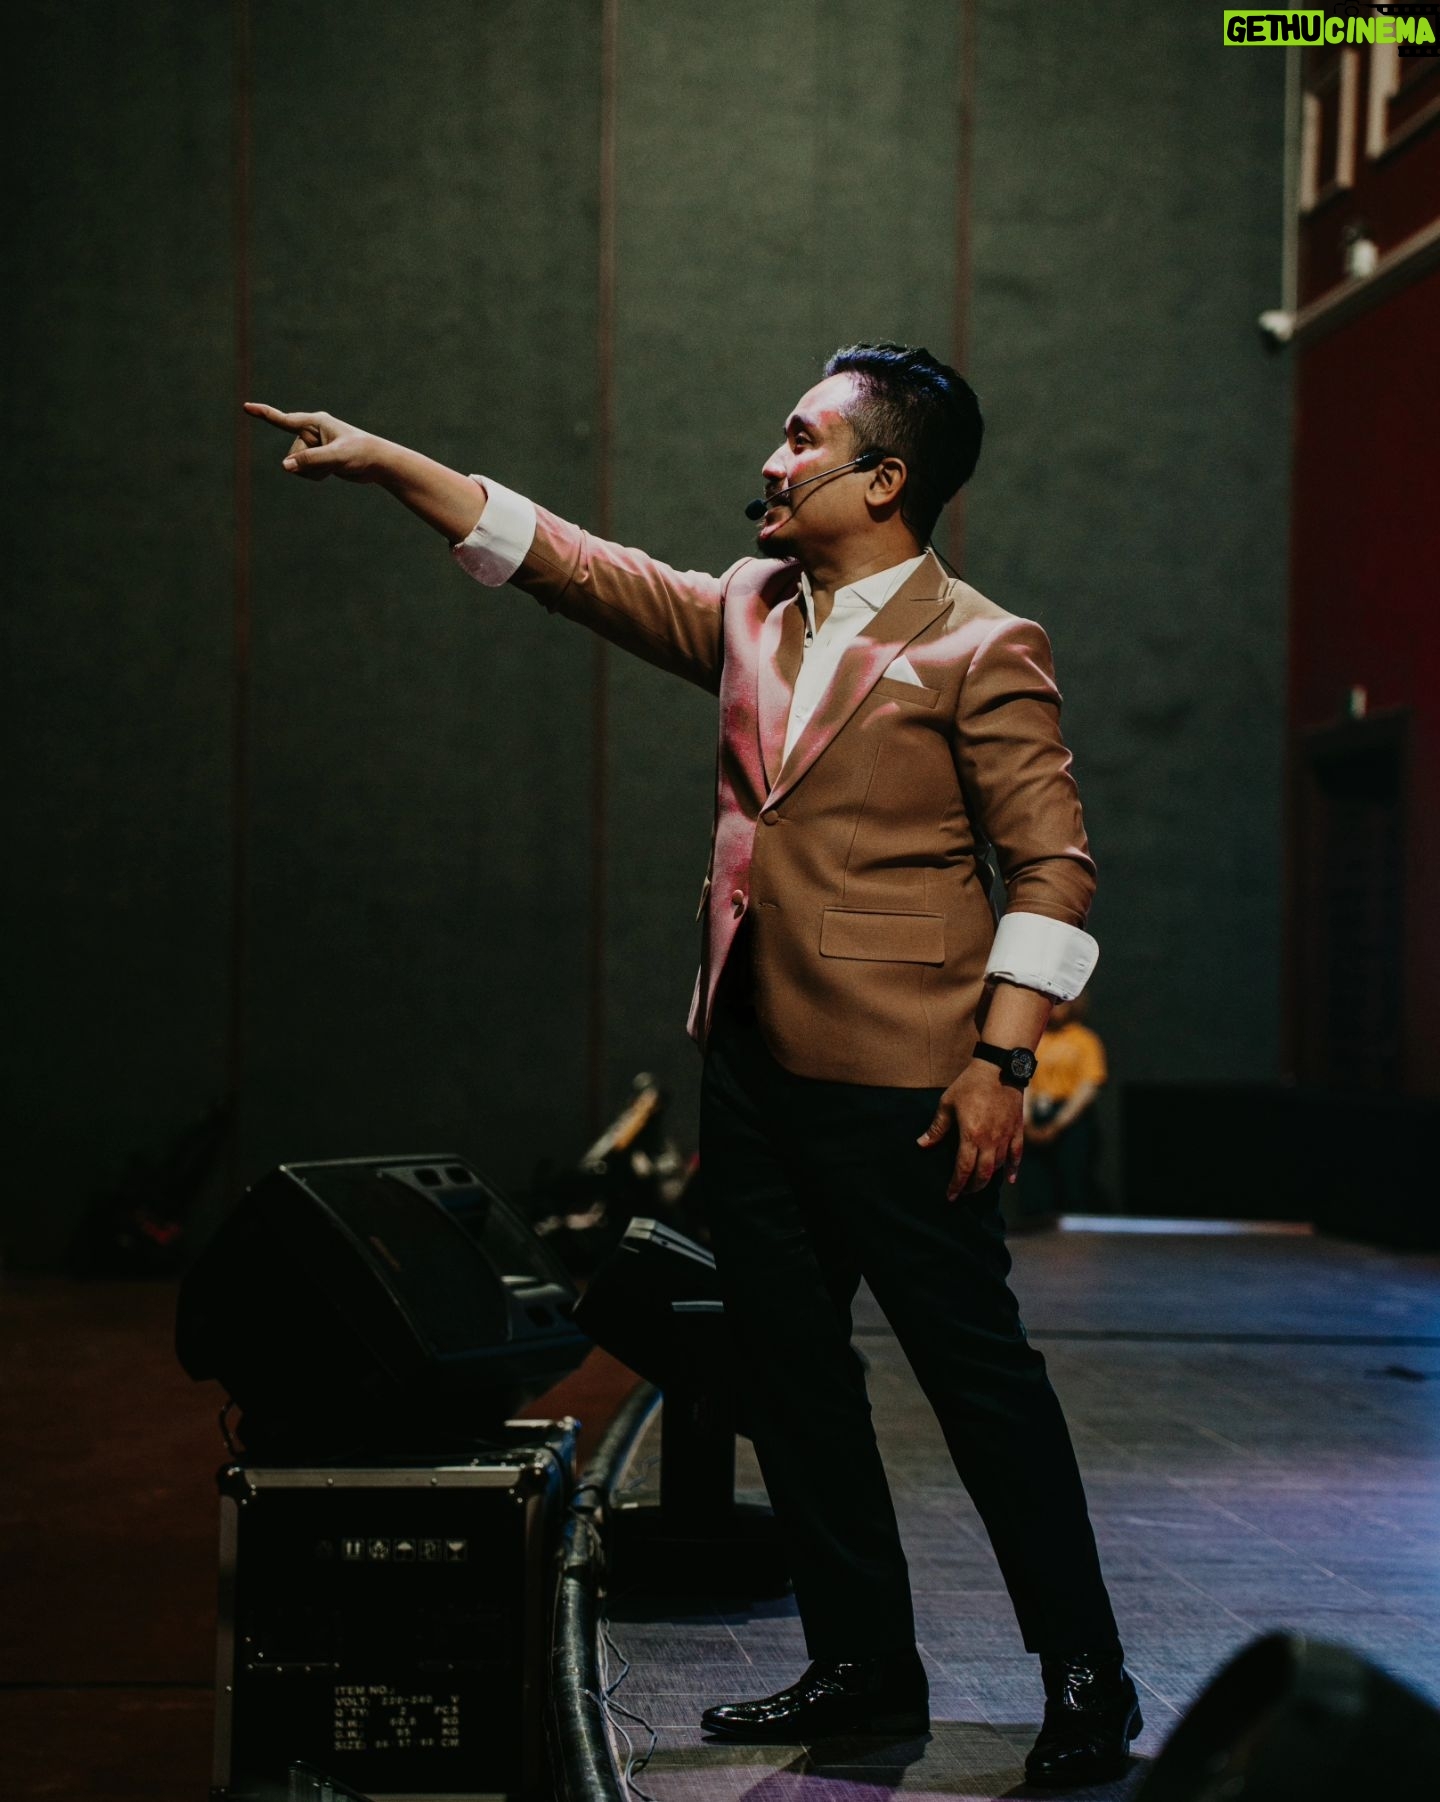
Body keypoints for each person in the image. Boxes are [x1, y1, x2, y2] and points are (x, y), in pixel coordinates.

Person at [244, 342, 1141, 1787]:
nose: (773, 461)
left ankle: (1087, 1669)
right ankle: (862, 1657)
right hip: (755, 1061)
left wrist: (1002, 1061)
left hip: (915, 1079)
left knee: (981, 1384)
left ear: (885, 479)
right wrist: (394, 464)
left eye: (803, 438)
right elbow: (572, 564)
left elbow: (1054, 869)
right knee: (789, 1375)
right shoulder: (748, 606)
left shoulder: (984, 645)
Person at [1009, 995, 1109, 1227]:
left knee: (1072, 1184)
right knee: (1034, 1187)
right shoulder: (1032, 1039)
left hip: (1070, 1120)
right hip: (1034, 1117)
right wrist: (1027, 1121)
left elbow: (1089, 1085)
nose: (1055, 1008)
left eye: (1061, 1002)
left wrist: (1058, 1123)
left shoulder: (1085, 1040)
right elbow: (1024, 1081)